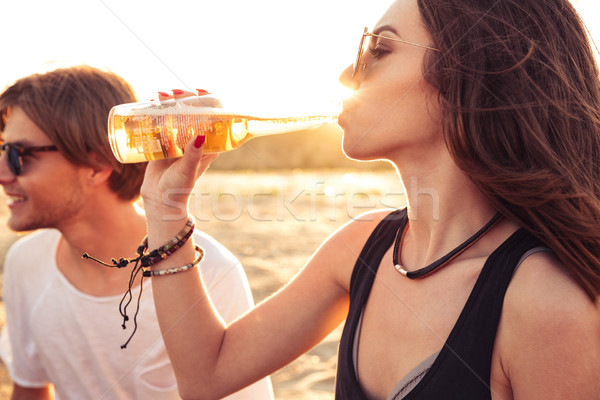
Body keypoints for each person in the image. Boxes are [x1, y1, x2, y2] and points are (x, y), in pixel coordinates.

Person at [141, 0, 600, 398]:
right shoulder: (362, 247)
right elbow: (208, 374)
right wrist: (165, 210)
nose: (347, 75)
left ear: (469, 73)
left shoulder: (545, 302)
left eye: (378, 49)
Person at [0, 66, 273, 400]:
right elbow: (30, 391)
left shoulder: (210, 271)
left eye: (17, 155)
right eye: (2, 149)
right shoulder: (25, 262)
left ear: (98, 165)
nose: (3, 173)